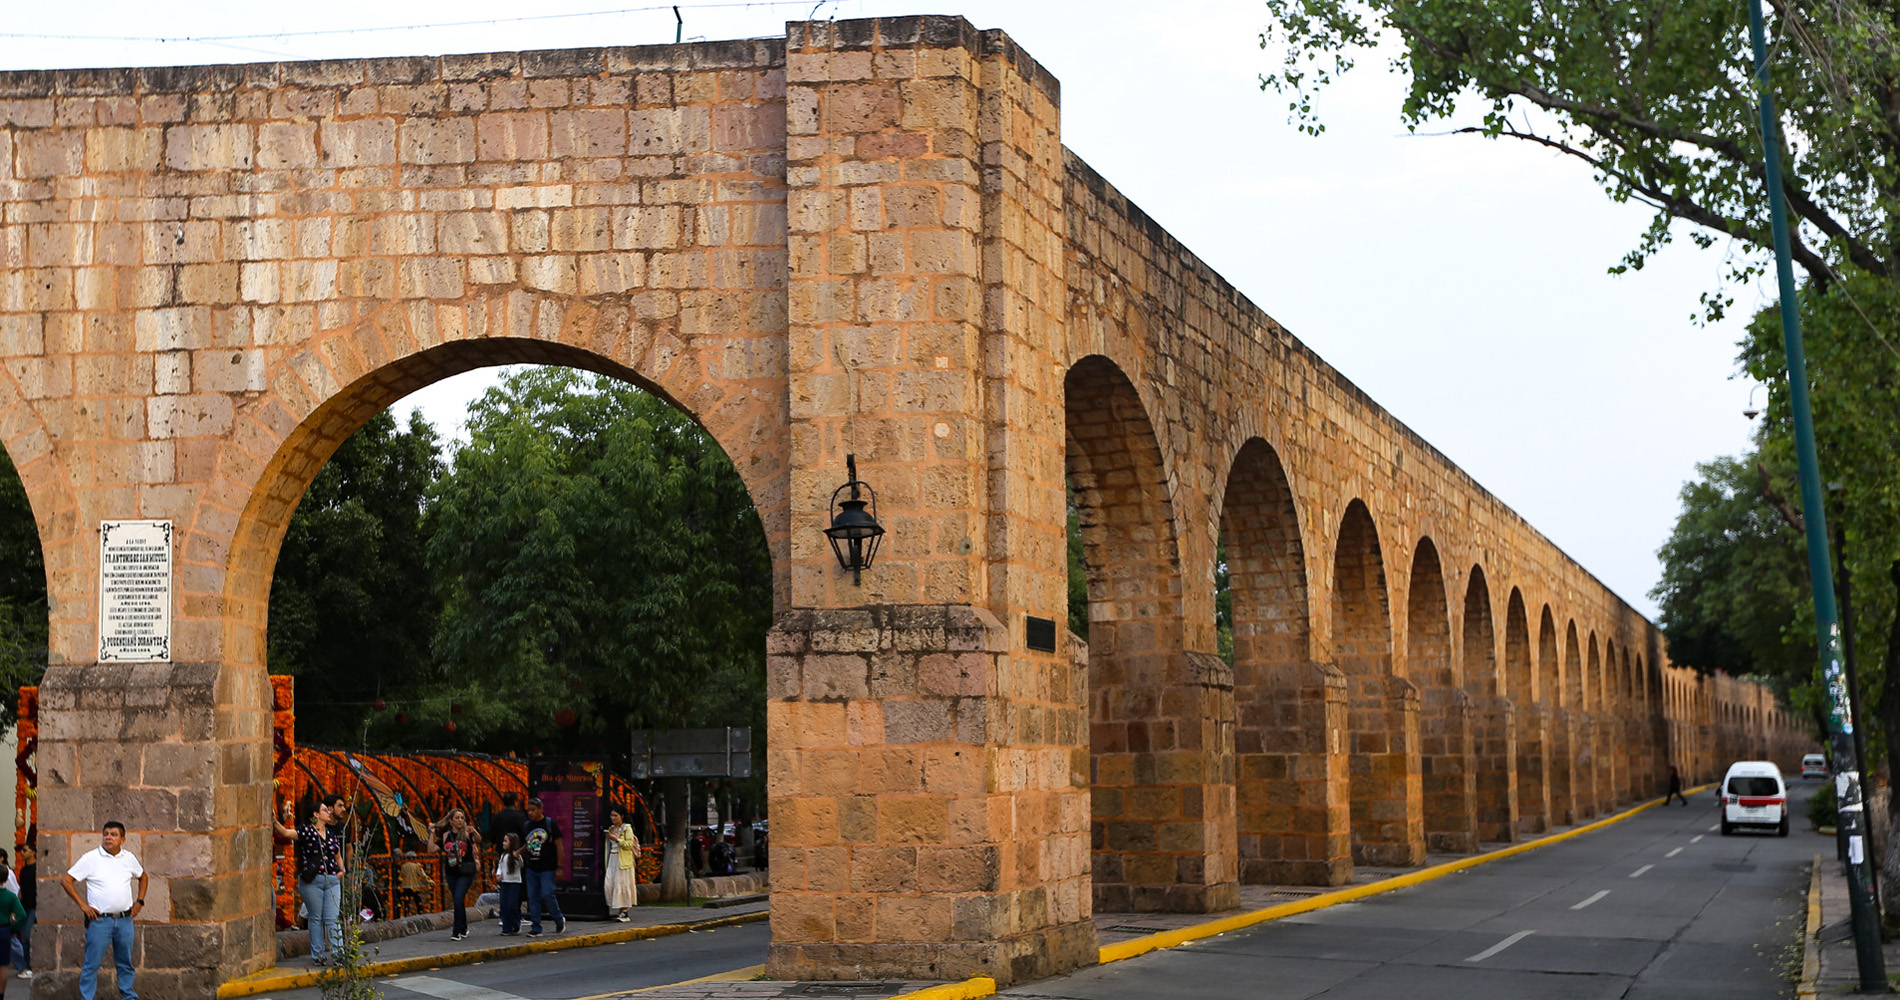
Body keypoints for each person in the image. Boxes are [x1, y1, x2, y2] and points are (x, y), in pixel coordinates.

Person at [60, 820, 148, 1000]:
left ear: (122, 839)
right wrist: (83, 905)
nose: (109, 837)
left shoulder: (129, 858)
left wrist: (140, 901)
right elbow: (66, 880)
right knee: (92, 964)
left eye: (114, 834)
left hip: (124, 920)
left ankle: (128, 996)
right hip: (100, 921)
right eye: (106, 834)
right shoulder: (91, 858)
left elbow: (143, 877)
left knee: (125, 964)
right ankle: (87, 997)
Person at [274, 800, 344, 965]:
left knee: (333, 918)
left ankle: (339, 954)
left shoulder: (332, 834)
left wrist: (342, 870)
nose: (329, 812)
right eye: (325, 810)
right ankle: (318, 954)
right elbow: (285, 833)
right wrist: (275, 820)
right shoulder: (306, 831)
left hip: (332, 880)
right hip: (313, 880)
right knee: (316, 918)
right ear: (316, 814)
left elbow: (337, 854)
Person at [431, 809, 482, 940]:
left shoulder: (467, 833)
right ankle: (464, 927)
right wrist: (431, 834)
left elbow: (478, 839)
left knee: (458, 898)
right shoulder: (445, 835)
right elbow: (431, 849)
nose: (460, 820)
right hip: (451, 872)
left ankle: (456, 930)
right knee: (458, 900)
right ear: (451, 820)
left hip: (466, 871)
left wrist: (474, 831)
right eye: (457, 818)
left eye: (462, 818)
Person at [518, 797, 565, 936]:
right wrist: (518, 852)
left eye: (533, 810)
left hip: (548, 867)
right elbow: (528, 845)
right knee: (532, 897)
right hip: (532, 867)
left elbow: (559, 846)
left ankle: (558, 918)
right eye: (529, 810)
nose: (530, 813)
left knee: (547, 893)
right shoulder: (527, 826)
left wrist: (559, 867)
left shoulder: (550, 824)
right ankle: (536, 927)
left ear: (541, 809)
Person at [603, 810, 638, 920]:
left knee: (622, 884)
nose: (613, 818)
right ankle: (619, 909)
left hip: (623, 860)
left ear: (621, 816)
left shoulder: (627, 829)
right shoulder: (610, 829)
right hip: (612, 858)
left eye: (615, 815)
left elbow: (629, 844)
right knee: (609, 884)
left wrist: (616, 839)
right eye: (611, 815)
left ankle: (624, 911)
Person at [494, 833, 524, 936]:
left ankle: (515, 924)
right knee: (504, 905)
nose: (503, 843)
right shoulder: (503, 856)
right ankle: (506, 928)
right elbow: (500, 867)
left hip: (514, 883)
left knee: (512, 905)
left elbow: (521, 865)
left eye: (506, 841)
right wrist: (498, 874)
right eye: (503, 841)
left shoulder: (516, 856)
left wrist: (517, 857)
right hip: (504, 883)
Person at [13, 843, 34, 979]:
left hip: (34, 907)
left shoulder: (37, 869)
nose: (22, 853)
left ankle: (28, 966)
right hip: (24, 907)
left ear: (33, 852)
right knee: (24, 937)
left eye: (25, 850)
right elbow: (21, 889)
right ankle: (26, 965)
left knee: (26, 936)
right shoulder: (24, 870)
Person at [395, 851, 433, 917]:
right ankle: (421, 915)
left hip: (406, 886)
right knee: (419, 902)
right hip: (416, 887)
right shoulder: (417, 865)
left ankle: (407, 915)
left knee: (407, 902)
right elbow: (423, 876)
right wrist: (431, 882)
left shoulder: (404, 866)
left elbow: (400, 877)